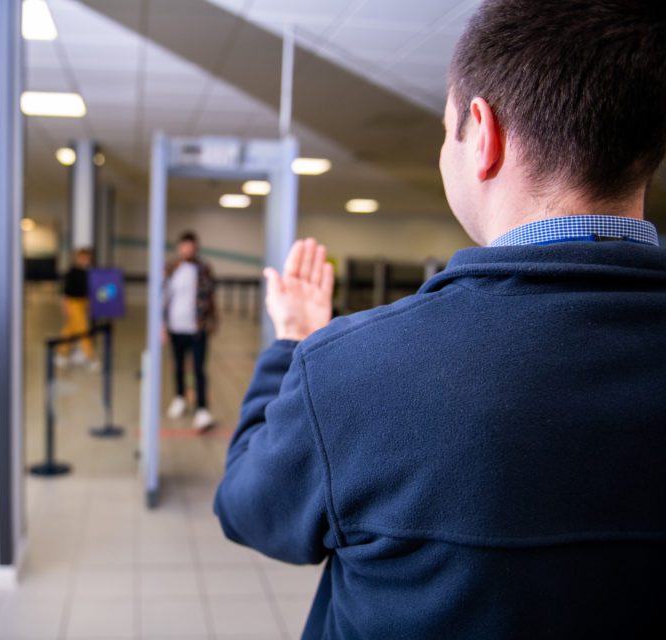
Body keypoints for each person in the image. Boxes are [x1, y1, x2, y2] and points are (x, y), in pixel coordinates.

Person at [214, 1, 666, 638]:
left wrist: (293, 343)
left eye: (445, 126)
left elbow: (250, 509)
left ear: (483, 135)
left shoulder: (353, 373)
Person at [163, 231, 218, 431]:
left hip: (197, 328)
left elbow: (210, 297)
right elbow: (164, 297)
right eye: (184, 245)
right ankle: (180, 398)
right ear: (179, 247)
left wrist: (211, 321)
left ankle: (202, 409)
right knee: (177, 366)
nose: (187, 250)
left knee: (198, 368)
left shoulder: (203, 269)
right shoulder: (170, 269)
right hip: (175, 327)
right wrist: (162, 325)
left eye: (191, 246)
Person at [56, 247, 99, 371]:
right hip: (73, 304)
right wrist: (65, 307)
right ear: (77, 258)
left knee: (70, 330)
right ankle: (91, 357)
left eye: (87, 258)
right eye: (83, 258)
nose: (86, 260)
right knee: (83, 330)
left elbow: (88, 291)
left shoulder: (87, 273)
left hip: (82, 304)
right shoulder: (72, 272)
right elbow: (66, 292)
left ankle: (61, 353)